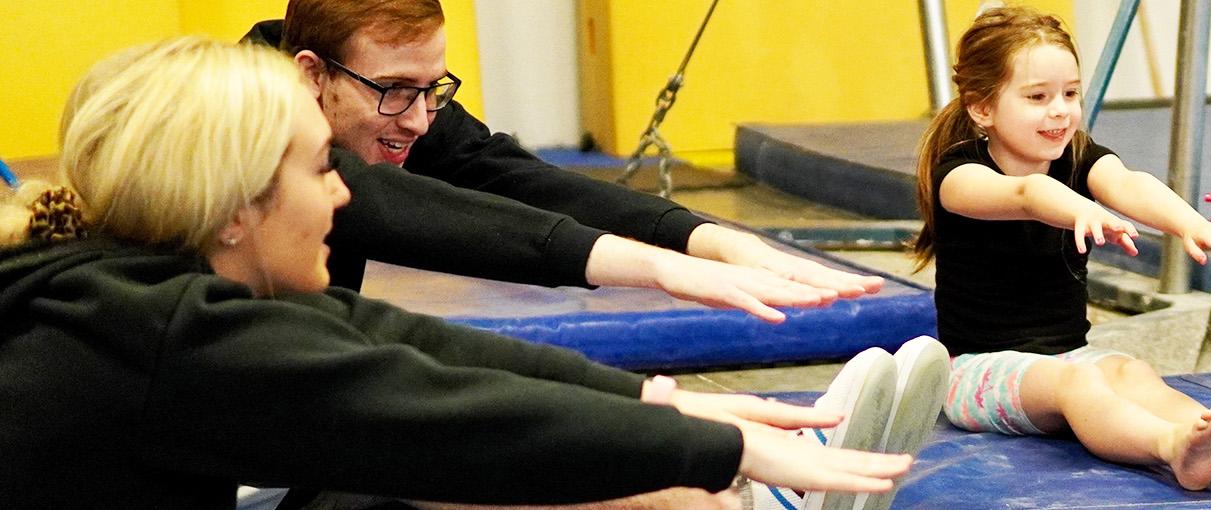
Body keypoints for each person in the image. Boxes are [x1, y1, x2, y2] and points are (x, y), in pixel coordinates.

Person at [0, 37, 908, 510]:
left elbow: (390, 339)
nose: (345, 198)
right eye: (323, 170)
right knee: (485, 468)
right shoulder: (163, 338)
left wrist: (661, 407)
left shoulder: (132, 287)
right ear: (236, 207)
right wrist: (722, 448)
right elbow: (443, 414)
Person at [243, 0, 884, 323]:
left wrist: (707, 238)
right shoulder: (244, 126)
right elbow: (397, 210)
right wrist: (654, 268)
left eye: (431, 88)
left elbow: (506, 175)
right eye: (394, 92)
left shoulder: (342, 76)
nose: (416, 118)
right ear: (312, 74)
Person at [907, 6, 1211, 491]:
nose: (1060, 109)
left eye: (1069, 93)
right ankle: (1170, 445)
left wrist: (1191, 223)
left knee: (1133, 372)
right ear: (983, 108)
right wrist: (1079, 210)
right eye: (1037, 97)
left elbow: (1128, 183)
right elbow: (1026, 194)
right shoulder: (959, 175)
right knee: (1080, 385)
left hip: (1070, 354)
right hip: (977, 370)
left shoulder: (1077, 155)